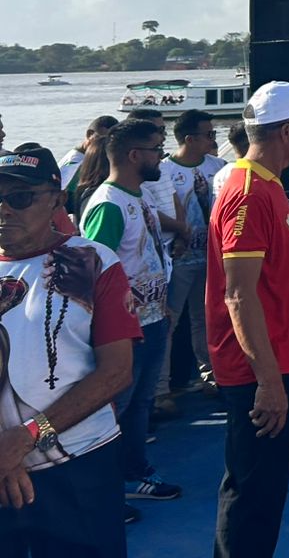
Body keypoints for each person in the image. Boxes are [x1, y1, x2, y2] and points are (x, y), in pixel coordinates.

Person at [0, 146, 141, 555]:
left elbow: (116, 372)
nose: (5, 209)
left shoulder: (92, 262)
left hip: (77, 465)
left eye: (20, 198)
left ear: (58, 200)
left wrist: (26, 439)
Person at [208, 82, 289, 558]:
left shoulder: (268, 186)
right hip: (259, 374)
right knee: (252, 494)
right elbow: (238, 295)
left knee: (264, 493)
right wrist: (269, 381)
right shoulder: (250, 192)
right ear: (287, 131)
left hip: (274, 367)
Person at [78, 117, 180, 504]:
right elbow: (94, 272)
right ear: (135, 155)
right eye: (156, 148)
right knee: (116, 408)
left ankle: (133, 472)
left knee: (140, 404)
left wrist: (161, 305)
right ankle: (104, 488)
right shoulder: (109, 205)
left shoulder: (137, 197)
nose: (161, 156)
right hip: (125, 331)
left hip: (150, 320)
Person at [148, 109, 225, 414]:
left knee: (206, 319)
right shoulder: (163, 171)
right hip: (177, 259)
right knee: (169, 321)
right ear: (190, 139)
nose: (212, 139)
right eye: (208, 134)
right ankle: (160, 389)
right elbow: (153, 212)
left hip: (212, 257)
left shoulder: (219, 167)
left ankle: (212, 376)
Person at [58, 115, 116, 192]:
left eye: (111, 142)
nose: (106, 145)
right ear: (89, 134)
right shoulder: (74, 165)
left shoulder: (78, 158)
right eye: (101, 139)